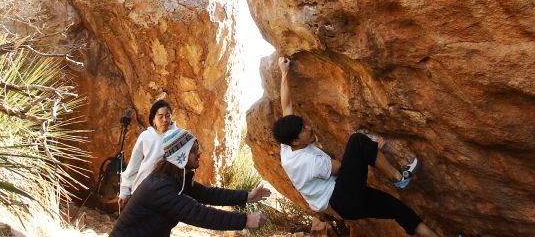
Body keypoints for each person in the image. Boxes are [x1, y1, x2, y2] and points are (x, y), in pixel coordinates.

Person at [273, 56, 440, 237]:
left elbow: (287, 106)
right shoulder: (307, 162)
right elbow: (341, 169)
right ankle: (399, 178)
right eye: (304, 130)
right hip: (343, 199)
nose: (309, 128)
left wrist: (284, 72)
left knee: (397, 208)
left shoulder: (287, 146)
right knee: (357, 141)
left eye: (305, 124)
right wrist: (370, 150)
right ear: (296, 141)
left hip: (345, 206)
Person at [110, 127, 270, 236]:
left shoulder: (176, 178)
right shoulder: (159, 187)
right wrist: (245, 220)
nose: (199, 152)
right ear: (180, 156)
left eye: (197, 147)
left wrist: (247, 196)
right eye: (193, 150)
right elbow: (197, 214)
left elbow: (208, 194)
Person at [118, 99, 177, 210]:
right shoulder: (146, 137)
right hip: (142, 192)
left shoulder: (178, 137)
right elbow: (133, 167)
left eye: (168, 116)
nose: (165, 120)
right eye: (160, 116)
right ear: (153, 119)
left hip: (167, 195)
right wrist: (124, 192)